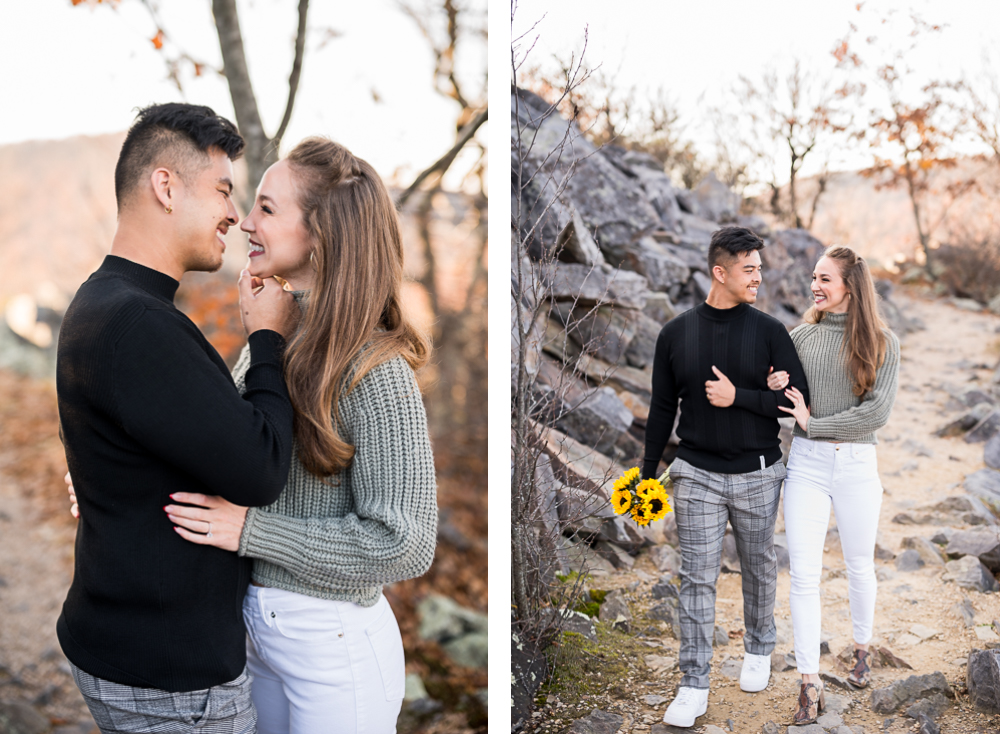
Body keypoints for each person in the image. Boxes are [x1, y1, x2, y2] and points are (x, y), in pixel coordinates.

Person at [160, 138, 437, 734]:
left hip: (334, 645)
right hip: (257, 632)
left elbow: (405, 543)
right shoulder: (275, 338)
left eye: (266, 208)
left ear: (320, 233)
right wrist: (113, 480)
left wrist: (252, 532)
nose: (243, 221)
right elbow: (226, 456)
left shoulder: (376, 369)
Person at [56, 103, 300, 732]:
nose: (233, 214)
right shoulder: (140, 325)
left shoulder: (103, 300)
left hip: (125, 643)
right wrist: (268, 340)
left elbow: (133, 447)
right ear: (165, 186)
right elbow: (261, 470)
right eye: (222, 189)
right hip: (170, 682)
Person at [643, 226, 810, 729]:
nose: (759, 275)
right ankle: (692, 684)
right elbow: (660, 408)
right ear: (720, 272)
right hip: (695, 474)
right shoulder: (675, 333)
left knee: (758, 565)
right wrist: (646, 475)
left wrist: (738, 395)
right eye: (749, 268)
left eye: (760, 267)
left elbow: (797, 402)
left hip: (760, 472)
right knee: (696, 577)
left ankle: (759, 647)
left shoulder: (770, 331)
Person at [766, 245, 899, 725]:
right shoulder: (801, 336)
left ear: (849, 286)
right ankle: (809, 681)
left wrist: (812, 421)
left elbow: (875, 413)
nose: (814, 286)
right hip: (807, 465)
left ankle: (861, 647)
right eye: (813, 278)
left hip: (859, 465)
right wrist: (774, 381)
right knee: (803, 574)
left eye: (824, 278)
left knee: (860, 565)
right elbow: (779, 393)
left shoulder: (883, 342)